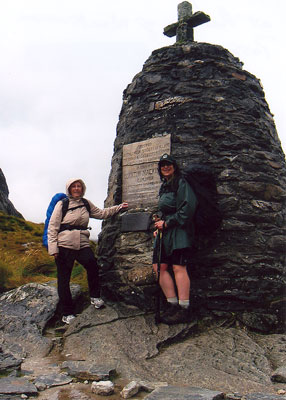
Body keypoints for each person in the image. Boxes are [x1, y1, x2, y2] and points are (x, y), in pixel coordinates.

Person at [48, 178, 128, 324]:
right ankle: (67, 313)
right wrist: (53, 248)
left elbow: (102, 213)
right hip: (64, 244)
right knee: (64, 279)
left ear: (82, 188)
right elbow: (53, 227)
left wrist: (118, 207)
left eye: (79, 186)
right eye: (74, 186)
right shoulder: (62, 204)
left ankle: (95, 297)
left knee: (92, 265)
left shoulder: (86, 203)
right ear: (69, 189)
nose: (77, 188)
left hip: (83, 243)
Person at [152, 154, 197, 325]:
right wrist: (158, 223)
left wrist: (168, 222)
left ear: (174, 166)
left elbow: (188, 207)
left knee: (179, 266)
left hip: (179, 231)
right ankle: (172, 304)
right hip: (165, 232)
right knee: (159, 266)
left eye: (169, 164)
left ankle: (184, 308)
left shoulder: (181, 182)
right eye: (163, 165)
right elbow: (164, 208)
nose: (166, 167)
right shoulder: (164, 186)